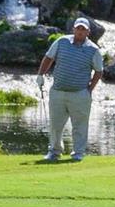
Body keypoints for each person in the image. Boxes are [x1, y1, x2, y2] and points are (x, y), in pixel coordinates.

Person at [43, 17, 103, 163]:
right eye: (78, 28)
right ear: (73, 29)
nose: (80, 31)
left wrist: (89, 90)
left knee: (80, 125)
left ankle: (78, 153)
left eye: (83, 29)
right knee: (55, 125)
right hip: (58, 91)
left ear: (88, 31)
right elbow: (48, 58)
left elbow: (99, 71)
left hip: (80, 93)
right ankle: (54, 152)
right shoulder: (62, 42)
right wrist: (40, 75)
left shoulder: (93, 49)